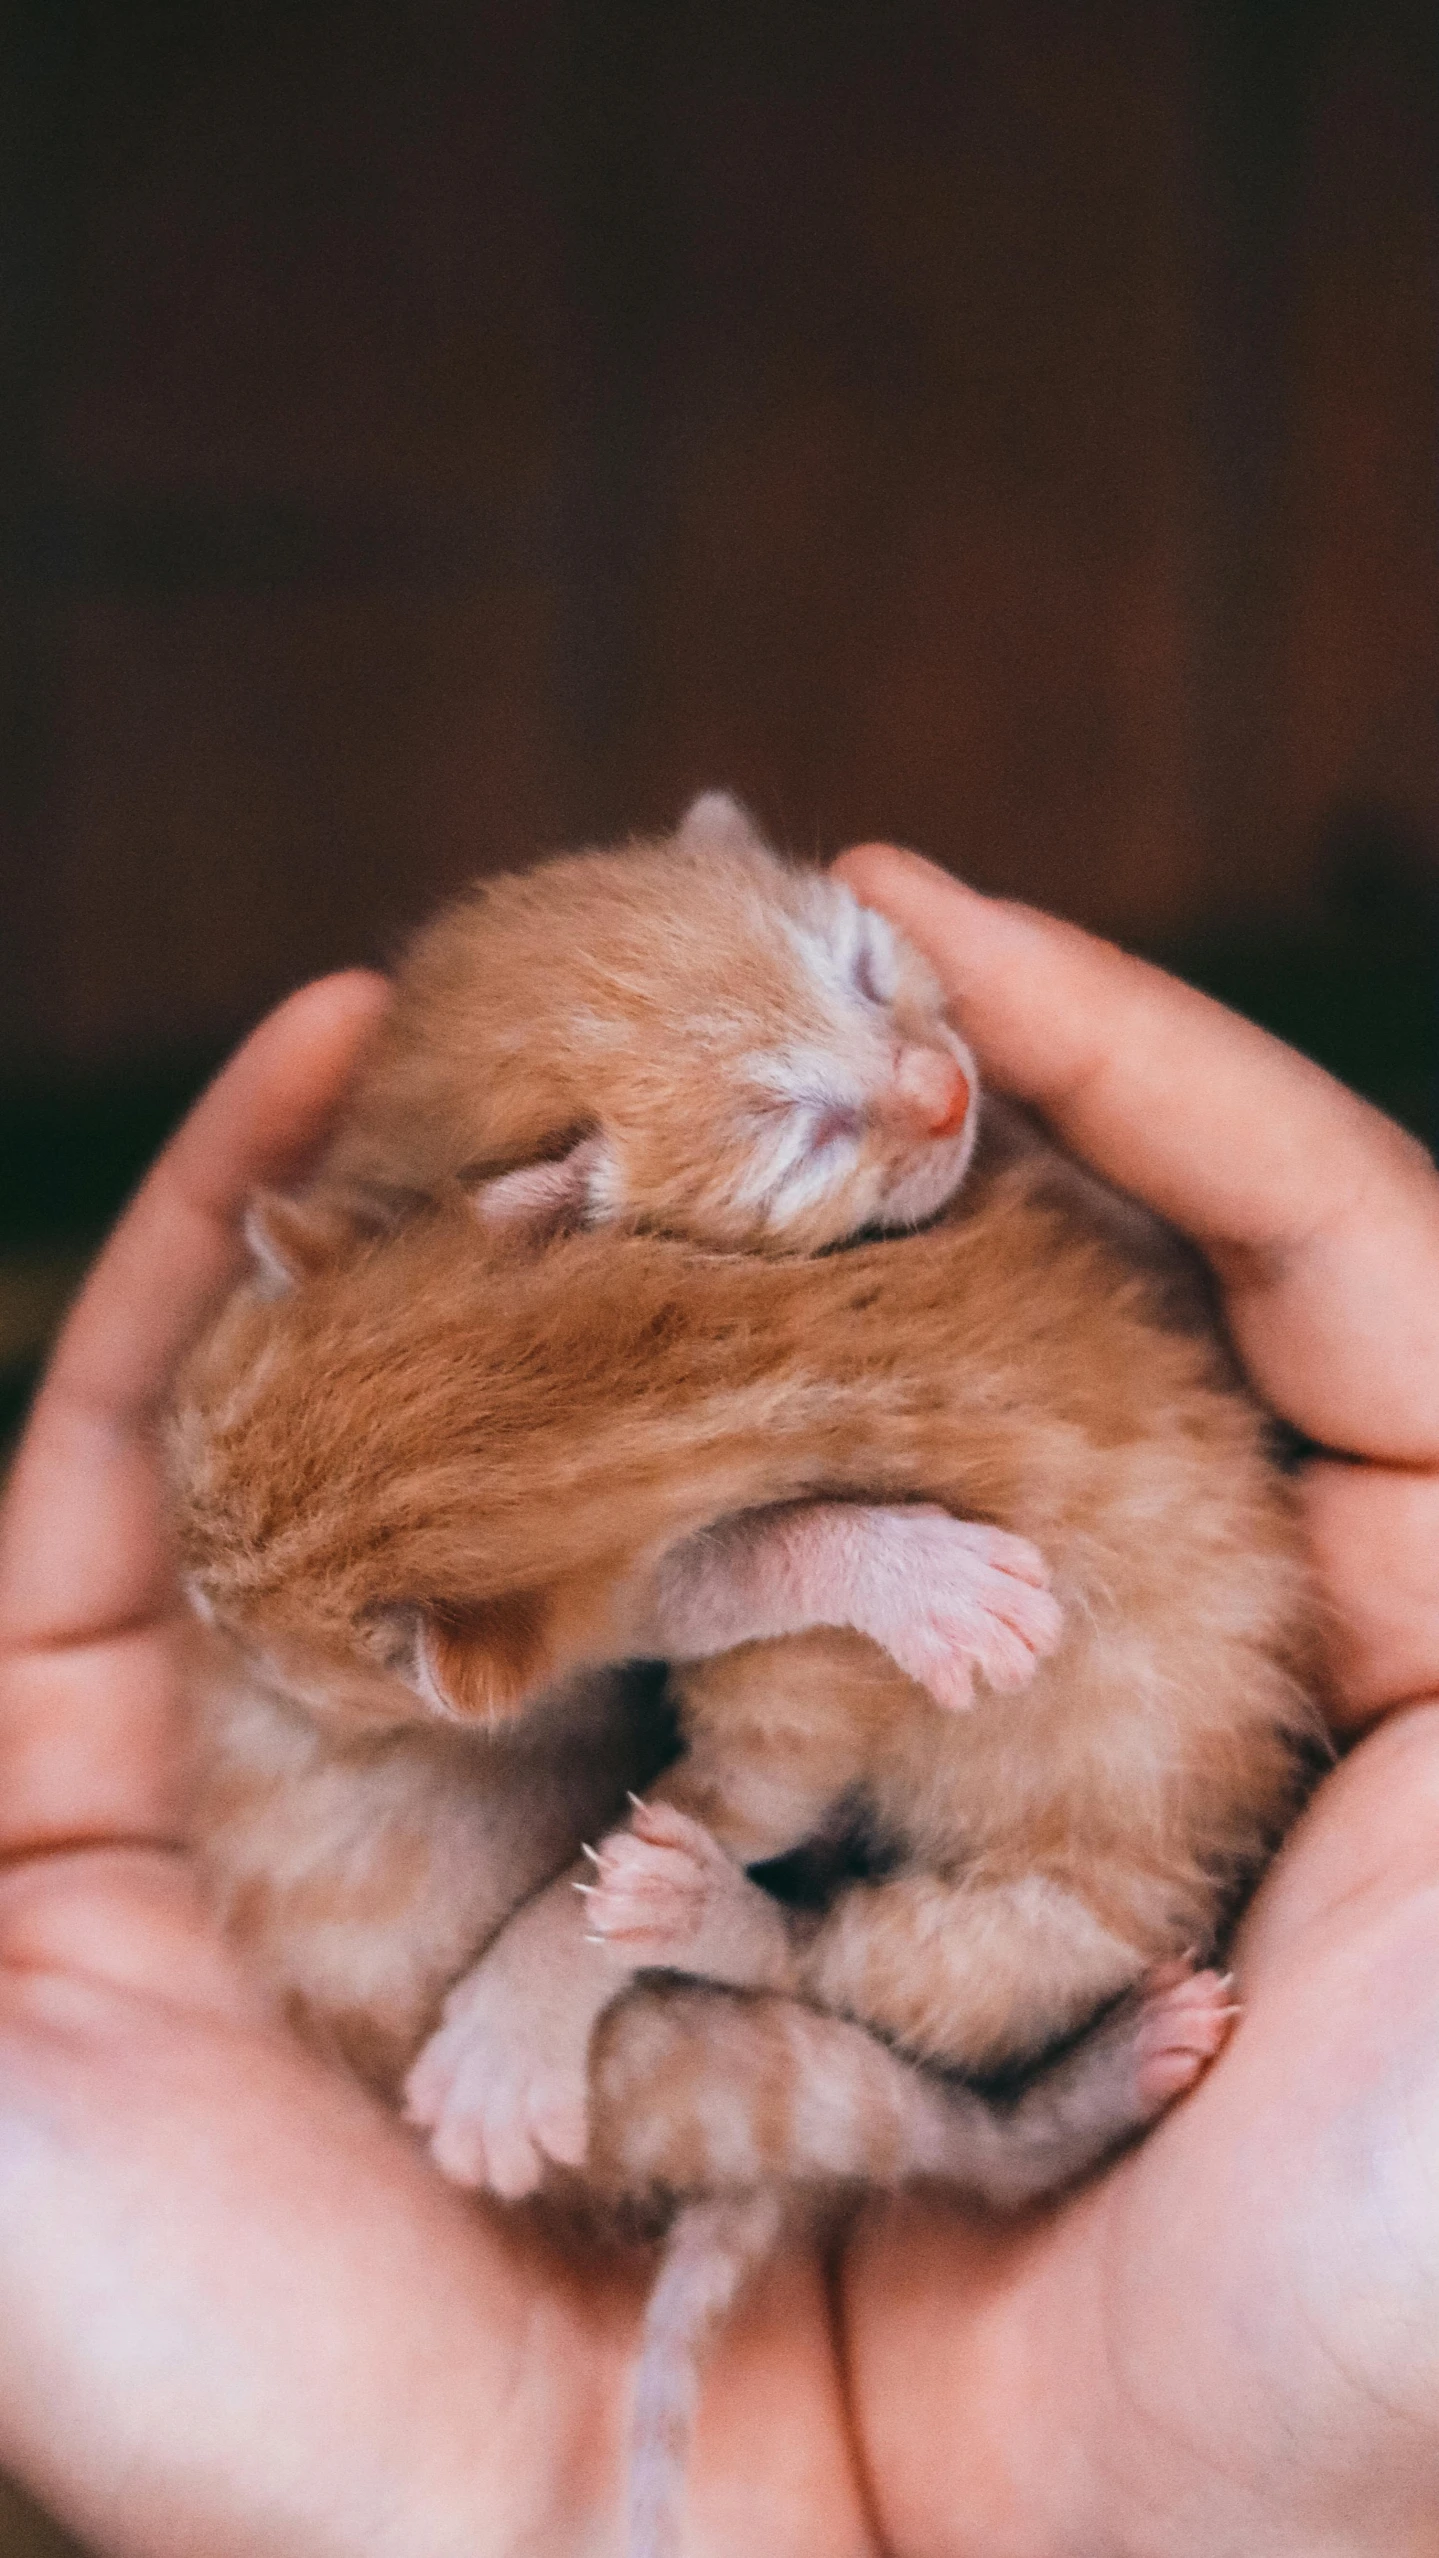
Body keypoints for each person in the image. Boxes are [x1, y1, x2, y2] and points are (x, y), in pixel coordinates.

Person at [1, 845, 1437, 2557]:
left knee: (882, 1915)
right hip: (822, 1752)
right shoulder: (657, 1436)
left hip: (975, 1847)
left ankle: (964, 2102)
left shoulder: (709, 1555)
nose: (929, 1080)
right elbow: (709, 1582)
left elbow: (734, 1628)